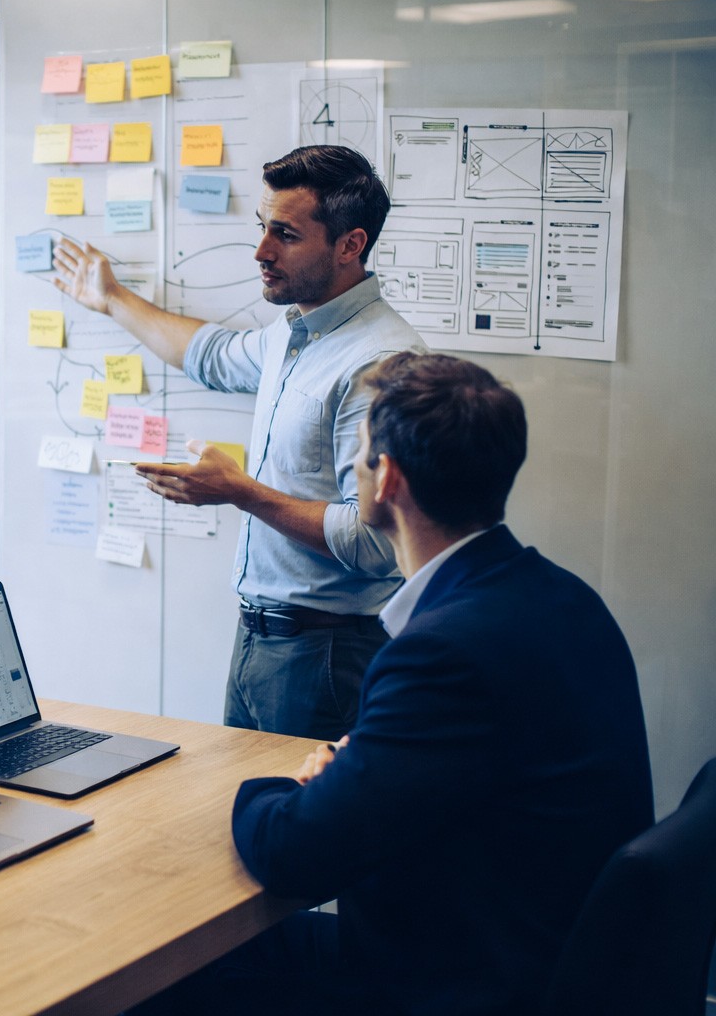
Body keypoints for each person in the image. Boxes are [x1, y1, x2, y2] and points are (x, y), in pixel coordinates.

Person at [146, 353, 653, 1015]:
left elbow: (296, 856)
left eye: (356, 456)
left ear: (386, 479)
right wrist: (353, 777)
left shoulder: (441, 654)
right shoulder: (565, 598)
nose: (352, 471)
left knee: (173, 973)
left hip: (454, 983)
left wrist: (276, 788)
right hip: (542, 955)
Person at [52, 145, 425, 740]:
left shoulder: (379, 362)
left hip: (327, 651)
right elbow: (212, 356)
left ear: (349, 245)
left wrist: (240, 492)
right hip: (260, 639)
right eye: (262, 227)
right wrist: (112, 299)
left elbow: (375, 541)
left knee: (302, 827)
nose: (261, 252)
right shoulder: (297, 332)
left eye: (285, 234)